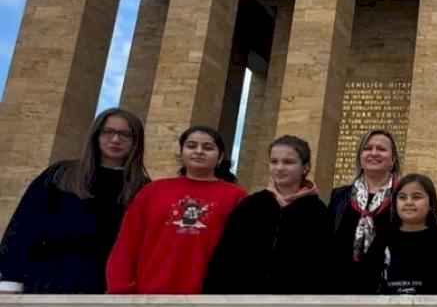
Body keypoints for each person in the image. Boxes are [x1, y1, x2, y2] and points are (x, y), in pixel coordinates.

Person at [0, 108, 149, 294]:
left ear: (136, 141)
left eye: (125, 134)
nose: (115, 139)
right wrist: (10, 278)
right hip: (48, 278)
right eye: (108, 132)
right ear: (96, 135)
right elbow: (25, 224)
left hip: (105, 285)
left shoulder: (142, 187)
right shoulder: (61, 174)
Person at [106, 125, 246, 294]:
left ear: (220, 157)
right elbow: (128, 241)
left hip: (209, 297)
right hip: (150, 292)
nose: (199, 151)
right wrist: (119, 287)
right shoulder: (153, 191)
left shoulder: (236, 196)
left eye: (208, 147)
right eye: (191, 146)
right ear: (181, 152)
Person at [203, 135, 331, 294]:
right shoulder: (250, 205)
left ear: (305, 167)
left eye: (288, 162)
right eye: (274, 161)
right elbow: (225, 256)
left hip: (294, 305)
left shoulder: (318, 212)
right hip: (244, 299)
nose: (279, 168)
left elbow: (324, 265)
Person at [329, 129, 400, 293]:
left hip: (386, 292)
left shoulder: (403, 197)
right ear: (360, 158)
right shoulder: (339, 196)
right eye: (367, 148)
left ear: (393, 159)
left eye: (381, 149)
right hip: (339, 289)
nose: (374, 153)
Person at [366, 174, 437, 295]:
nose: (409, 202)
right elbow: (367, 283)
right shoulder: (382, 241)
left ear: (430, 203)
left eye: (416, 197)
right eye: (402, 197)